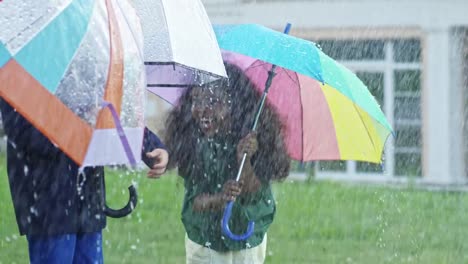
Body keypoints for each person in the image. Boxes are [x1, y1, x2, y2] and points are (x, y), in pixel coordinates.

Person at [0, 99, 168, 264]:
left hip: (89, 200)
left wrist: (150, 146)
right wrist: (76, 123)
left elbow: (113, 109)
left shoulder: (84, 72)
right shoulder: (19, 76)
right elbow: (21, 132)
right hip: (48, 205)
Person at [163, 63, 290, 264]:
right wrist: (220, 199)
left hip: (247, 239)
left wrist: (245, 160)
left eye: (213, 101)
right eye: (197, 100)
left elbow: (254, 195)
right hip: (204, 242)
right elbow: (195, 202)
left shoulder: (254, 137)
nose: (203, 111)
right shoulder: (192, 140)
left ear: (234, 104)